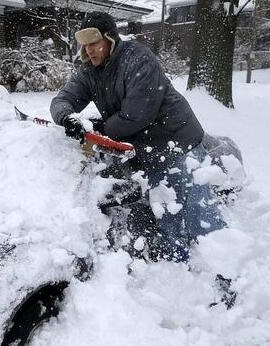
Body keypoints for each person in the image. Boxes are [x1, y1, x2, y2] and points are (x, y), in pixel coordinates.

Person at [50, 11, 225, 262]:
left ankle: (227, 272)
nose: (89, 51)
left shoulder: (137, 59)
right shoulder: (90, 71)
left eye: (94, 43)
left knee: (200, 214)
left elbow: (136, 115)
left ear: (110, 39)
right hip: (148, 149)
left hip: (178, 142)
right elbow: (62, 100)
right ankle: (178, 268)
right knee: (167, 211)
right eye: (85, 45)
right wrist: (67, 118)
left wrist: (99, 129)